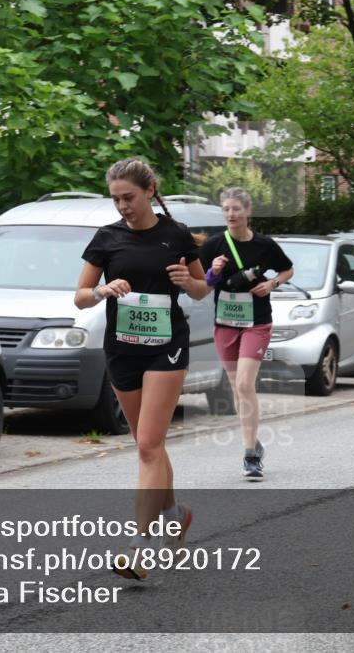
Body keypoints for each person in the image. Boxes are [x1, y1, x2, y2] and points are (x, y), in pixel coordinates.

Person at [74, 158, 208, 579]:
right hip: (122, 350)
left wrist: (188, 282)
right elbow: (79, 296)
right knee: (147, 446)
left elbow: (203, 290)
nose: (122, 207)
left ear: (149, 190)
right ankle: (174, 511)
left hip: (166, 347)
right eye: (115, 199)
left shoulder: (177, 235)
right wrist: (101, 290)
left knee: (149, 445)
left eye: (128, 198)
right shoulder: (107, 238)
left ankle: (139, 545)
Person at [200, 187, 293, 481]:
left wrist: (272, 285)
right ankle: (253, 440)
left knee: (243, 384)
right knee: (237, 390)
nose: (230, 214)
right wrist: (213, 272)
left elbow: (287, 270)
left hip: (257, 321)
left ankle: (250, 457)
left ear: (247, 212)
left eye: (236, 209)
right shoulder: (214, 245)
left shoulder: (265, 245)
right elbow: (201, 285)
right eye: (226, 209)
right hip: (225, 322)